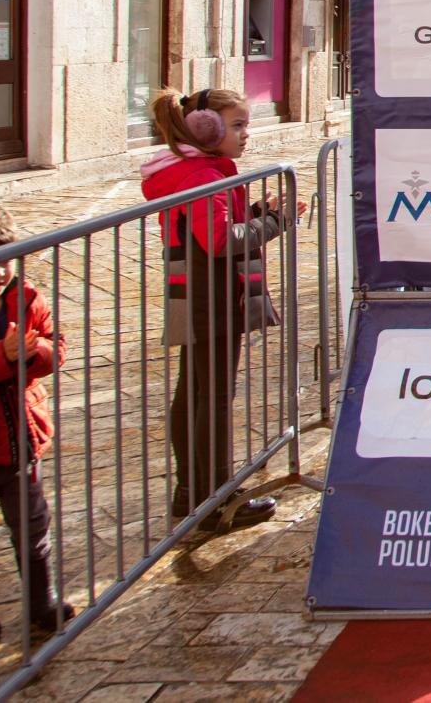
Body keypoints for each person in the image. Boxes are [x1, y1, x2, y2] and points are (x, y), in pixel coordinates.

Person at [141, 88, 294, 534]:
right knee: (212, 397)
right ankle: (216, 499)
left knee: (193, 392)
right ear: (204, 129)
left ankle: (191, 492)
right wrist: (275, 222)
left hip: (195, 292)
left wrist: (256, 211)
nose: (246, 134)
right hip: (215, 297)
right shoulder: (203, 176)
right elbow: (222, 240)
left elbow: (215, 225)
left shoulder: (191, 172)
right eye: (238, 125)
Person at [0, 205, 73, 640]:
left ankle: (41, 602)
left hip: (19, 437)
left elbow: (54, 346)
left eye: (6, 259)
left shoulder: (25, 296)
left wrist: (34, 352)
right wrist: (4, 357)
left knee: (32, 522)